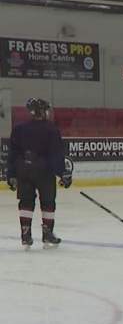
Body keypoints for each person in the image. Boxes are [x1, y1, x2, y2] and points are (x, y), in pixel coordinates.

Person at [5, 98, 71, 249]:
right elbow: (56, 154)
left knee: (26, 202)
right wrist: (63, 173)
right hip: (44, 171)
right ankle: (47, 234)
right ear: (42, 111)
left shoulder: (19, 128)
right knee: (48, 202)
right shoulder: (51, 129)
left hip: (23, 171)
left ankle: (25, 235)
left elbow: (13, 154)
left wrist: (11, 174)